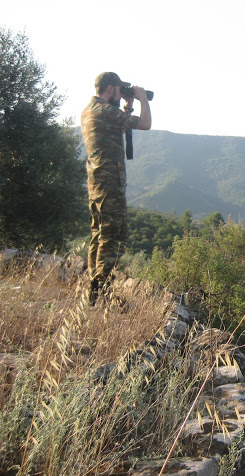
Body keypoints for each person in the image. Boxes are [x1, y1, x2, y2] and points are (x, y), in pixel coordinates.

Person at [81, 72, 152, 305]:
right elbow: (145, 124)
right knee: (113, 238)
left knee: (99, 236)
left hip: (97, 184)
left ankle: (94, 288)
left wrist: (128, 106)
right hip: (110, 184)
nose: (121, 94)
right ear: (110, 89)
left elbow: (119, 127)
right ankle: (102, 291)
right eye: (120, 90)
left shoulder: (92, 110)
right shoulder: (104, 110)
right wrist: (141, 99)